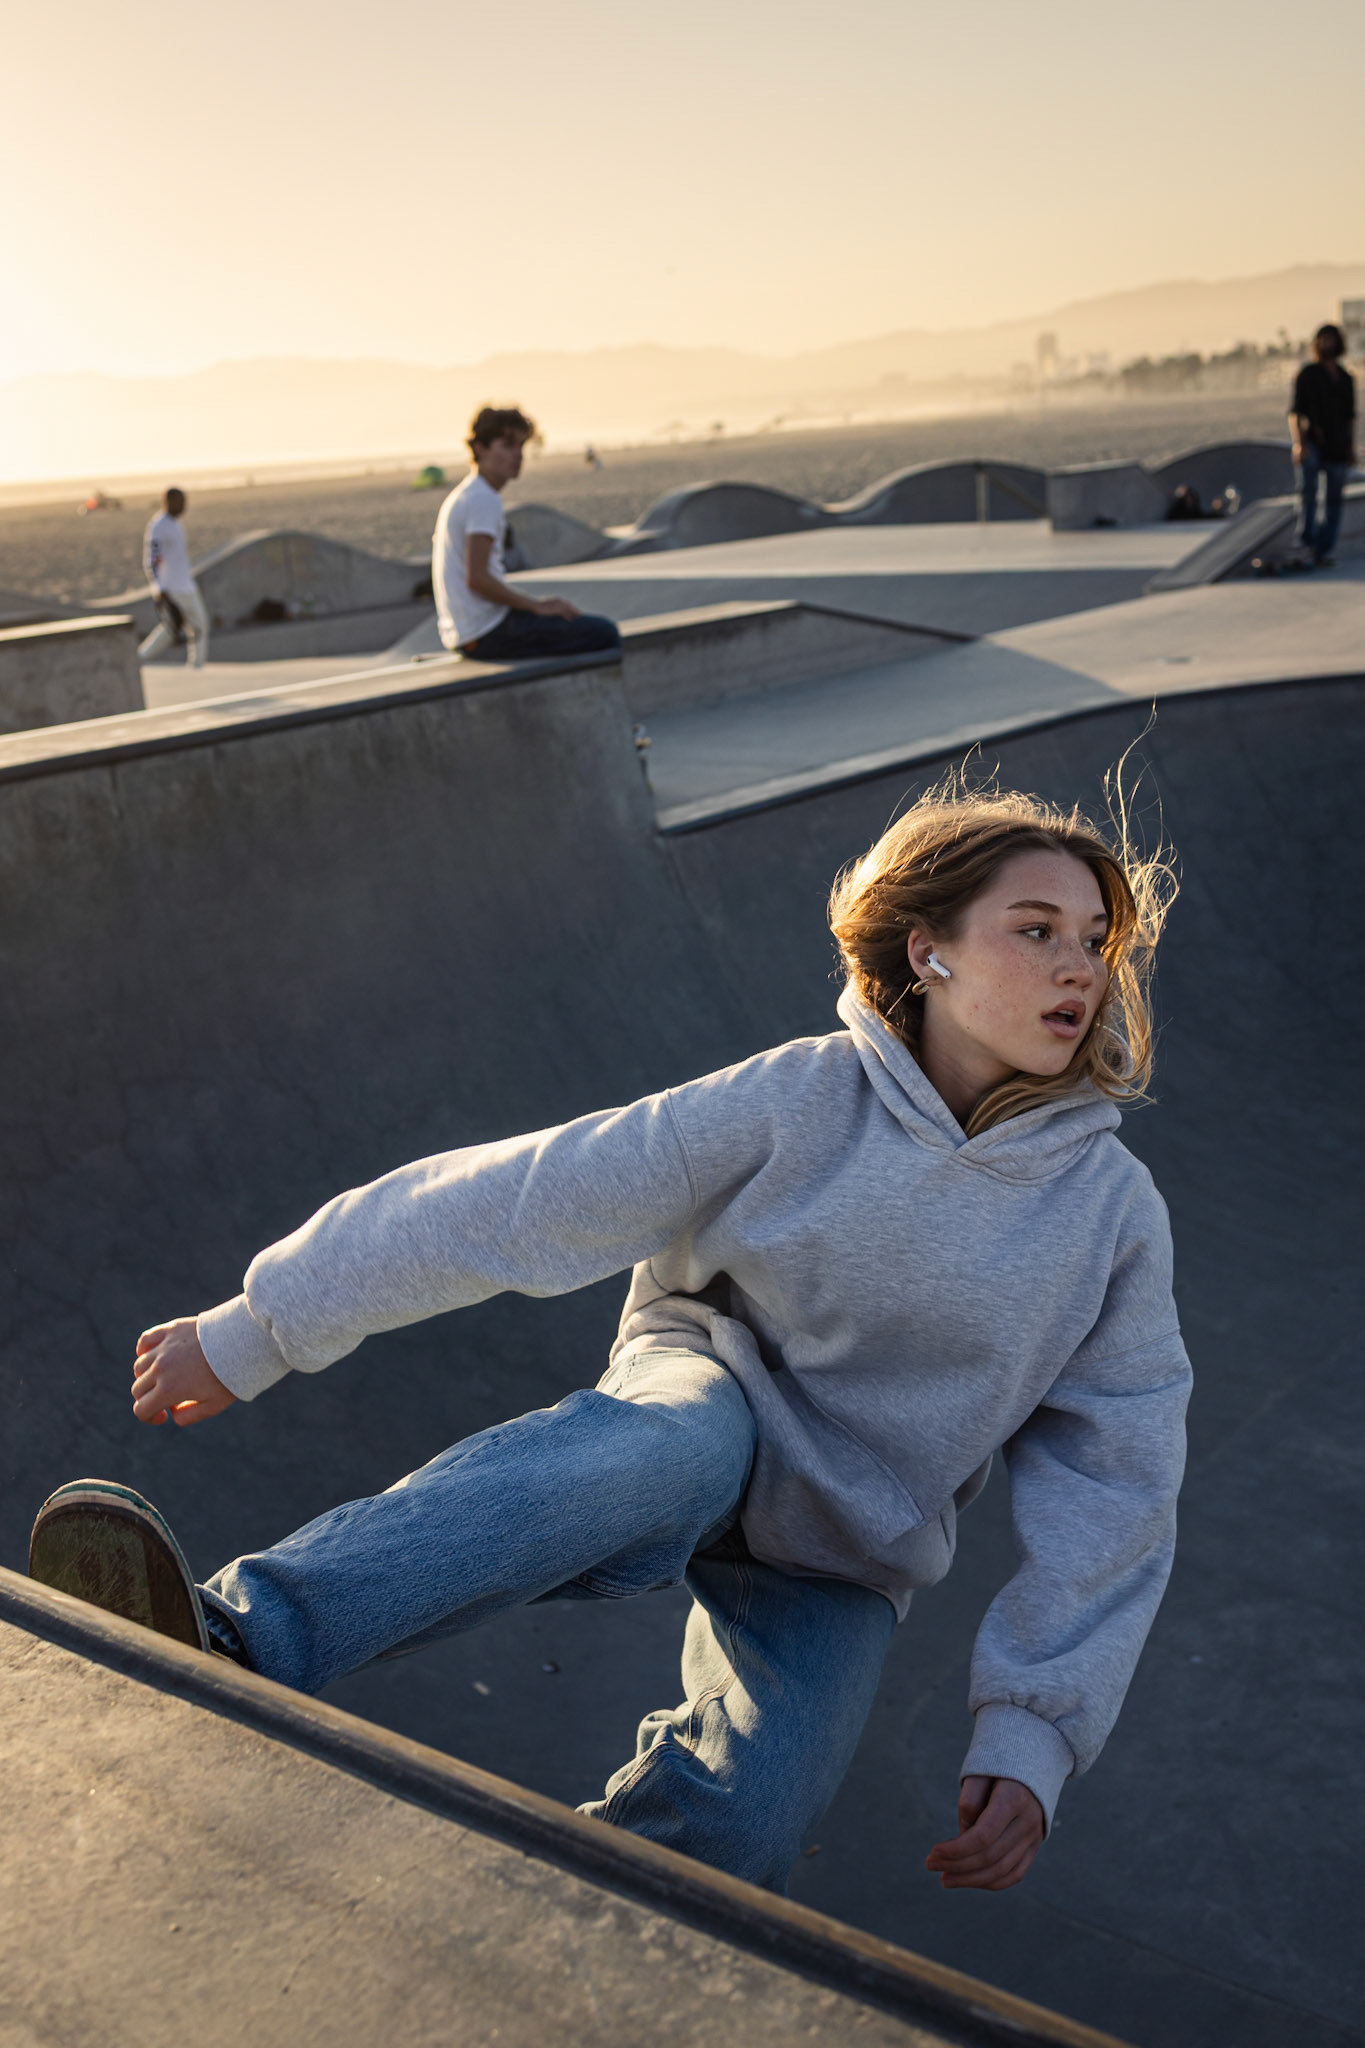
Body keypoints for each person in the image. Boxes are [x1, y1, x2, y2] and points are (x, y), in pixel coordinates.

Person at [30, 780, 1191, 1898]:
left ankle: (594, 1914)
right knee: (668, 1448)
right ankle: (234, 1636)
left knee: (746, 1827)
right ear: (928, 950)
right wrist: (262, 1324)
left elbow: (1118, 1477)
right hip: (706, 1395)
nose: (1078, 968)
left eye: (1095, 939)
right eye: (1035, 929)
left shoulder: (1109, 1212)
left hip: (850, 1536)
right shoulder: (798, 1099)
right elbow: (530, 1194)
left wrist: (1037, 1727)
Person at [433, 405, 620, 661]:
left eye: (521, 446)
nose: (518, 455)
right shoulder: (482, 499)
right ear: (480, 449)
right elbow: (476, 578)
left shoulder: (467, 494)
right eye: (507, 446)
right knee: (604, 633)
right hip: (486, 633)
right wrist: (537, 606)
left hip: (470, 633)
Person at [1289, 324, 1357, 567]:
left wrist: (1351, 448)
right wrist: (1299, 444)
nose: (1327, 344)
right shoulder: (1308, 374)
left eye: (1331, 340)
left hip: (1338, 446)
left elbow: (1350, 417)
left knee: (1334, 500)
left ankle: (1324, 549)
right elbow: (1295, 412)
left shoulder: (1346, 378)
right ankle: (1306, 542)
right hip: (1312, 443)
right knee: (1308, 493)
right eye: (1323, 340)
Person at [138, 487, 210, 668]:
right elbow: (152, 559)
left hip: (186, 586)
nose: (184, 505)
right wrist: (159, 588)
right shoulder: (158, 526)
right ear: (168, 501)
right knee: (170, 629)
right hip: (171, 589)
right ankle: (140, 658)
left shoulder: (175, 524)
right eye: (180, 501)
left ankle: (196, 666)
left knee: (199, 626)